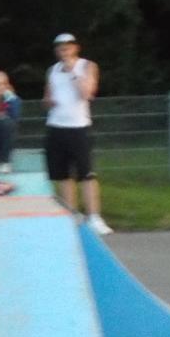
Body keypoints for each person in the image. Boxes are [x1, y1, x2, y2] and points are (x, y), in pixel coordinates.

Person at [44, 32, 111, 234]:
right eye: (60, 47)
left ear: (75, 47)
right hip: (56, 126)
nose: (63, 49)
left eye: (67, 46)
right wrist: (48, 101)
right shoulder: (52, 70)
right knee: (63, 175)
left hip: (79, 127)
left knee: (87, 174)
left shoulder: (87, 66)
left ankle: (94, 217)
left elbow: (87, 94)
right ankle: (72, 215)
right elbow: (46, 98)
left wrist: (72, 71)